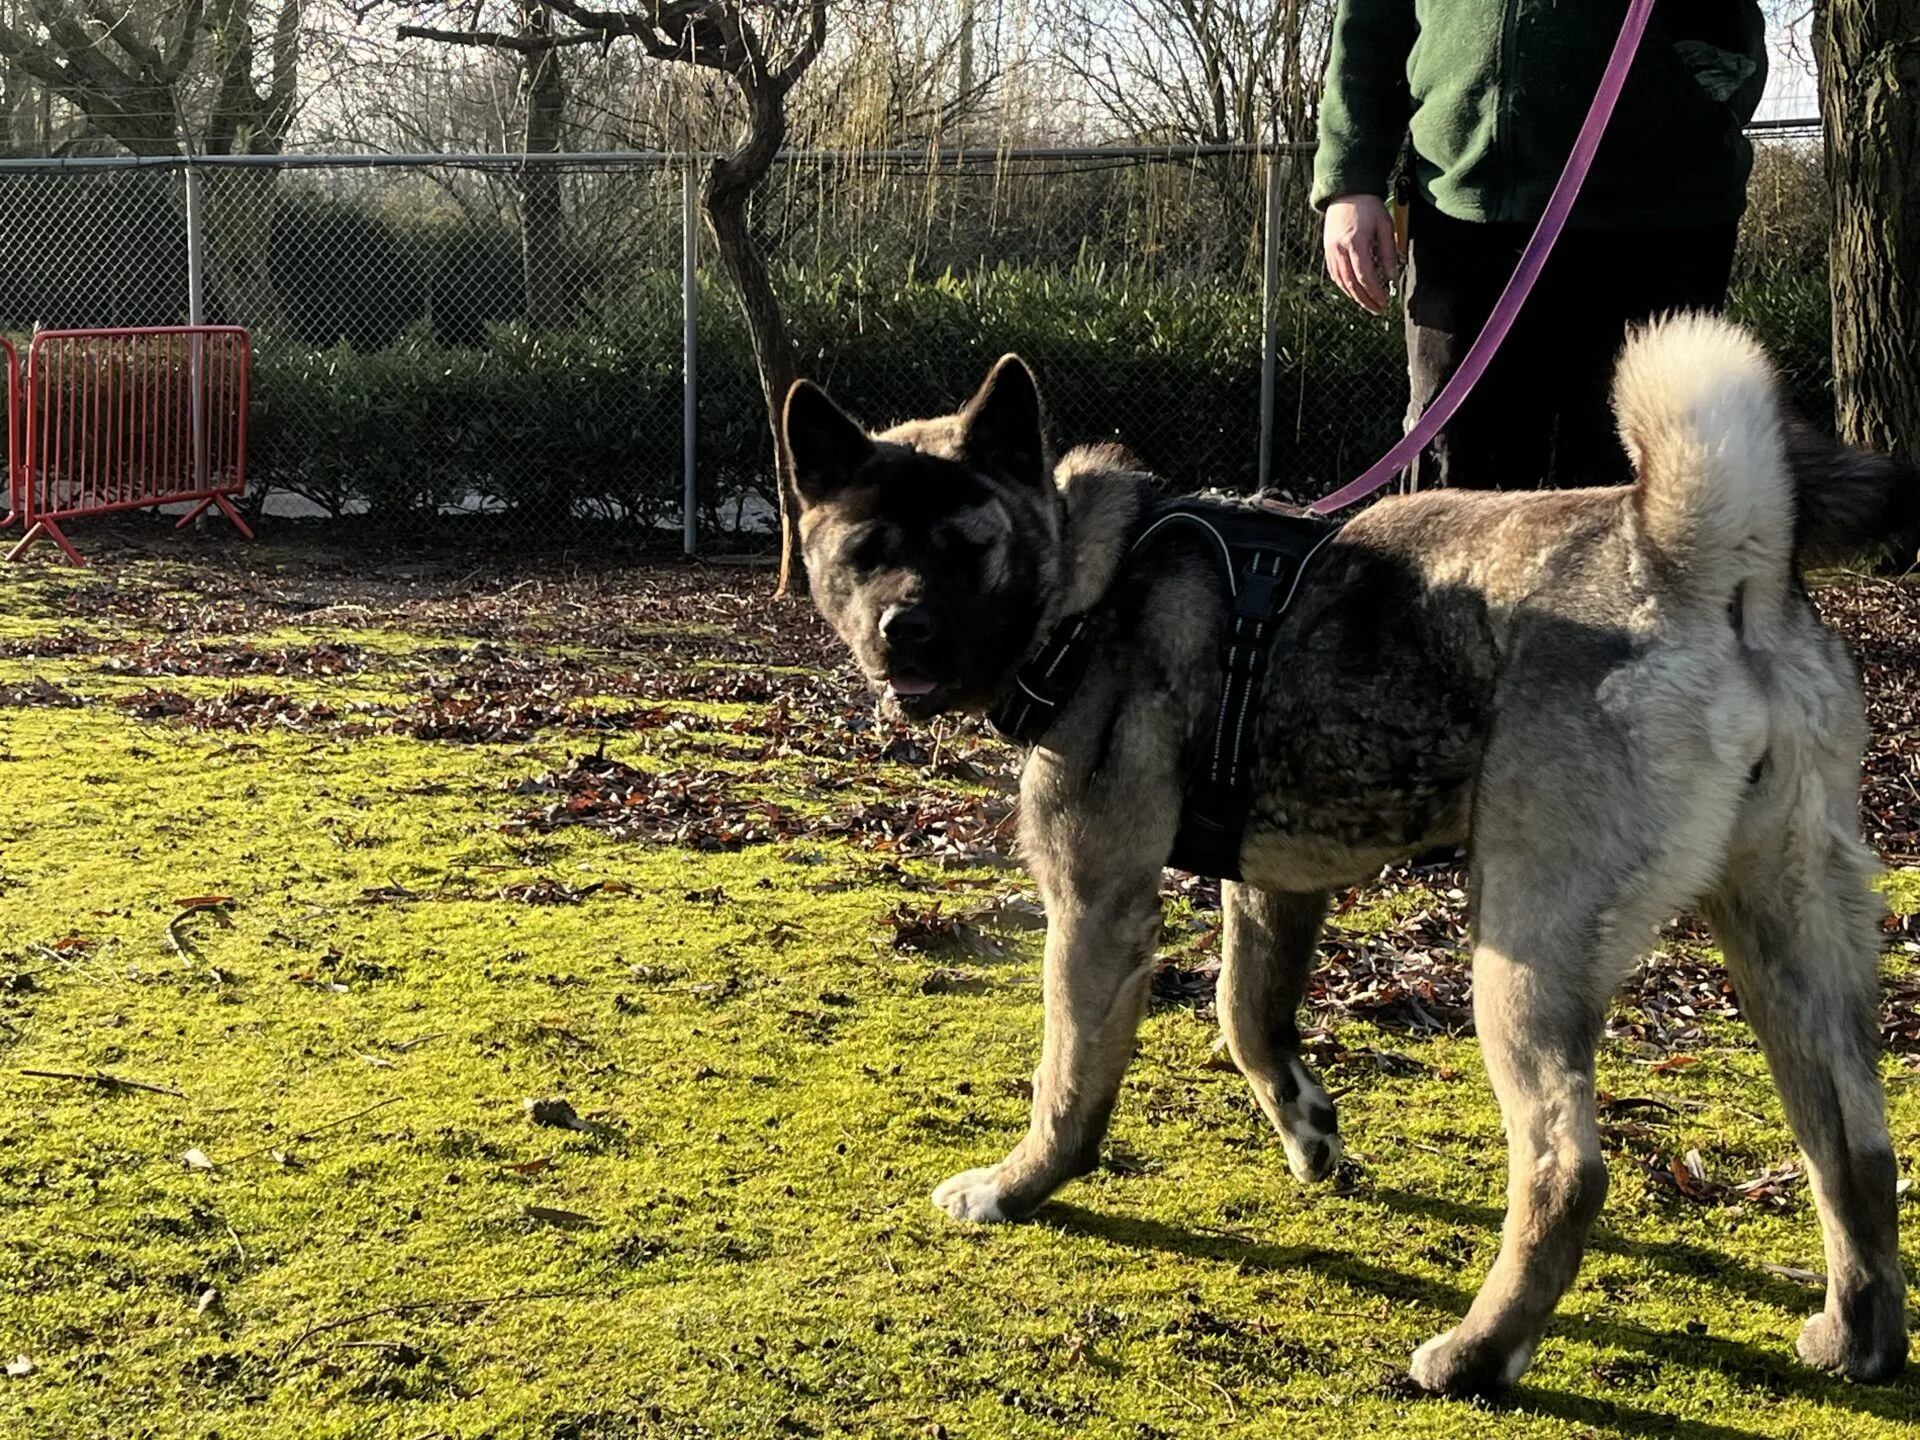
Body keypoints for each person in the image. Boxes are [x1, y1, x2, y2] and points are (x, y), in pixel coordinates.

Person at [1313, 0, 1768, 491]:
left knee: (1645, 499)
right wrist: (1349, 179)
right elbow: (1370, 22)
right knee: (1459, 486)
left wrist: (1695, 97)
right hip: (1464, 216)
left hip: (1662, 218)